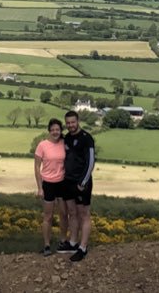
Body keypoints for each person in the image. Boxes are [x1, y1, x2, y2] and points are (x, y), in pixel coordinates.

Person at [58, 109, 95, 262]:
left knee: (83, 214)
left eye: (73, 122)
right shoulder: (66, 138)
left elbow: (91, 161)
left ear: (78, 121)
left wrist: (83, 182)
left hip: (82, 183)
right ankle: (73, 242)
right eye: (68, 123)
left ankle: (83, 247)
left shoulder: (87, 138)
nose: (70, 125)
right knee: (72, 212)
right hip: (68, 181)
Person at [33, 118, 68, 256]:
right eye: (53, 130)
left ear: (61, 131)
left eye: (57, 130)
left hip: (62, 183)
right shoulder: (42, 145)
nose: (55, 132)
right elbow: (36, 167)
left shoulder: (64, 144)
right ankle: (47, 245)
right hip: (47, 184)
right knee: (48, 216)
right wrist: (39, 187)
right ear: (49, 131)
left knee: (64, 214)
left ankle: (63, 241)